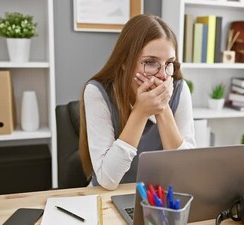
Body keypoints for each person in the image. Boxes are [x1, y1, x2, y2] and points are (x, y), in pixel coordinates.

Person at [79, 14, 196, 190]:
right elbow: (107, 180)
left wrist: (162, 109)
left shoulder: (179, 88)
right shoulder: (97, 92)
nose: (163, 75)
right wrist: (141, 112)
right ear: (125, 61)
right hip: (107, 196)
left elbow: (186, 173)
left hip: (157, 196)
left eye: (169, 63)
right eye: (150, 62)